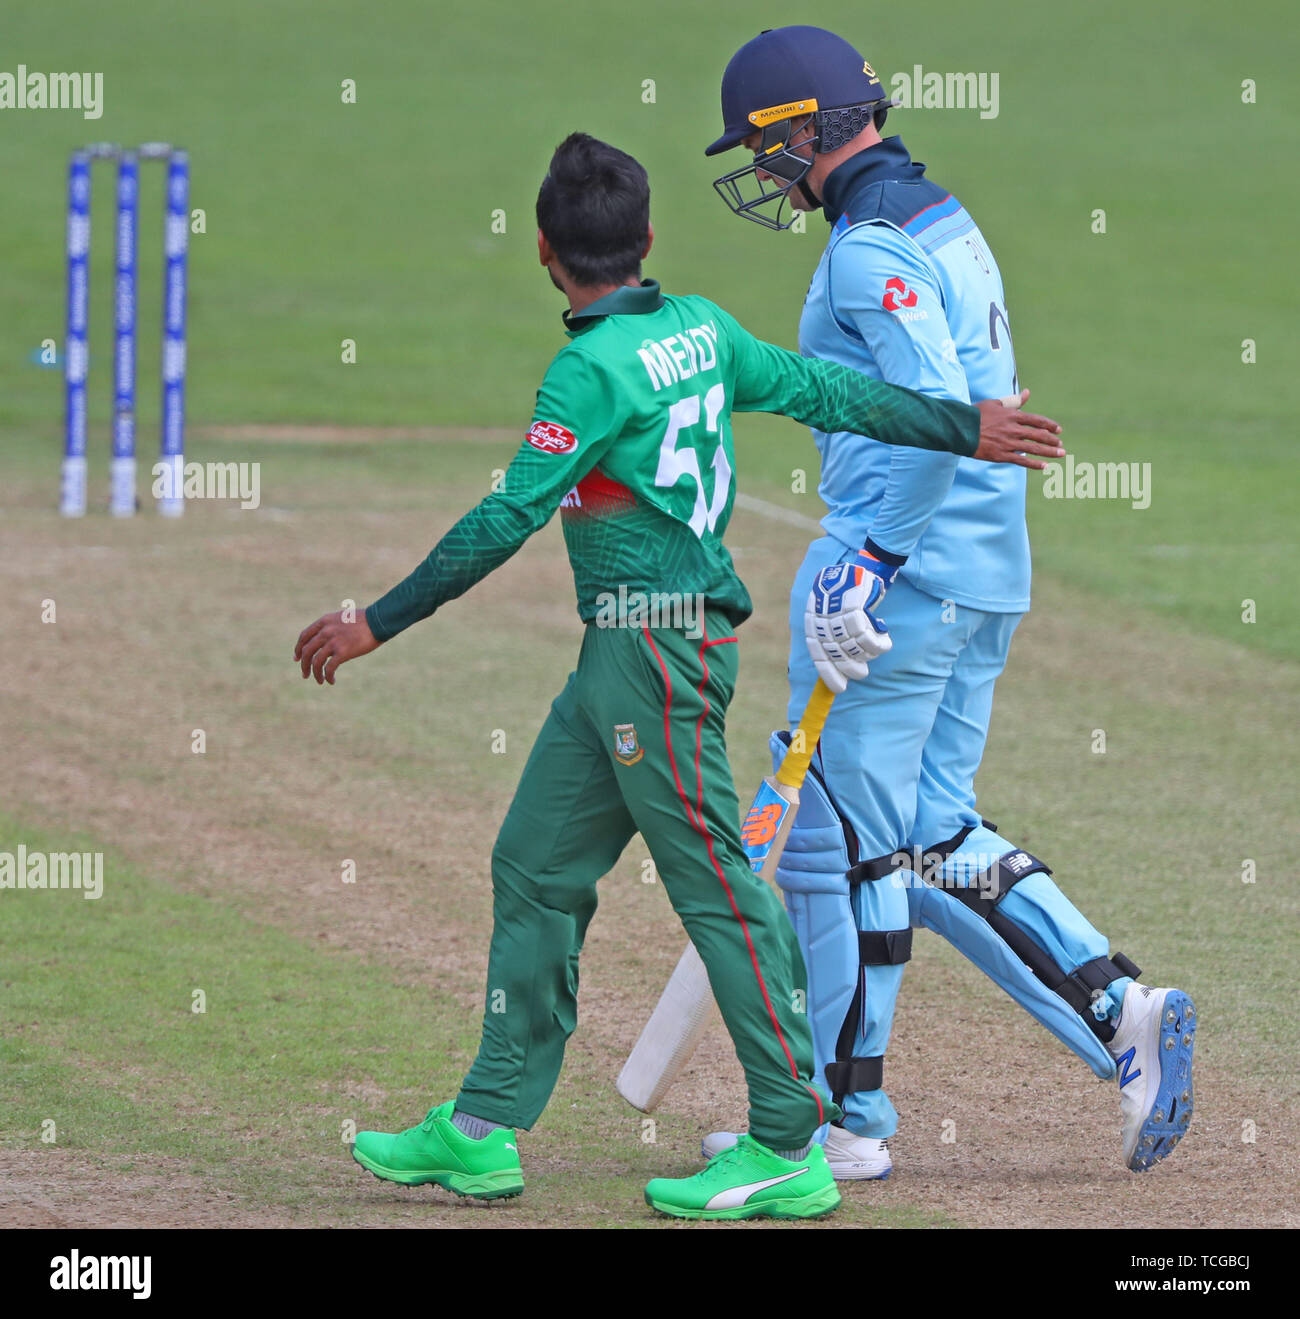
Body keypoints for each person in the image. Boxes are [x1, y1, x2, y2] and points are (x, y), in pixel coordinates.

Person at [294, 131, 1063, 1220]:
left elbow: (509, 512)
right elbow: (822, 389)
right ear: (646, 238)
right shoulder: (699, 329)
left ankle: (789, 1139)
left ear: (546, 254)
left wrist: (377, 620)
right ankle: (480, 1128)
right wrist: (961, 423)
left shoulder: (588, 369)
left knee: (719, 889)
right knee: (534, 864)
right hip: (629, 658)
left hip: (654, 656)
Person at [700, 26, 1196, 1182]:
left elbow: (937, 413)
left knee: (837, 854)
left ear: (804, 129)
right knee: (923, 839)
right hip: (981, 572)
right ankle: (1120, 1009)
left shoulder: (867, 247)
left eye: (763, 145)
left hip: (903, 580)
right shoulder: (942, 219)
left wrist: (865, 562)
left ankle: (838, 1121)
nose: (760, 171)